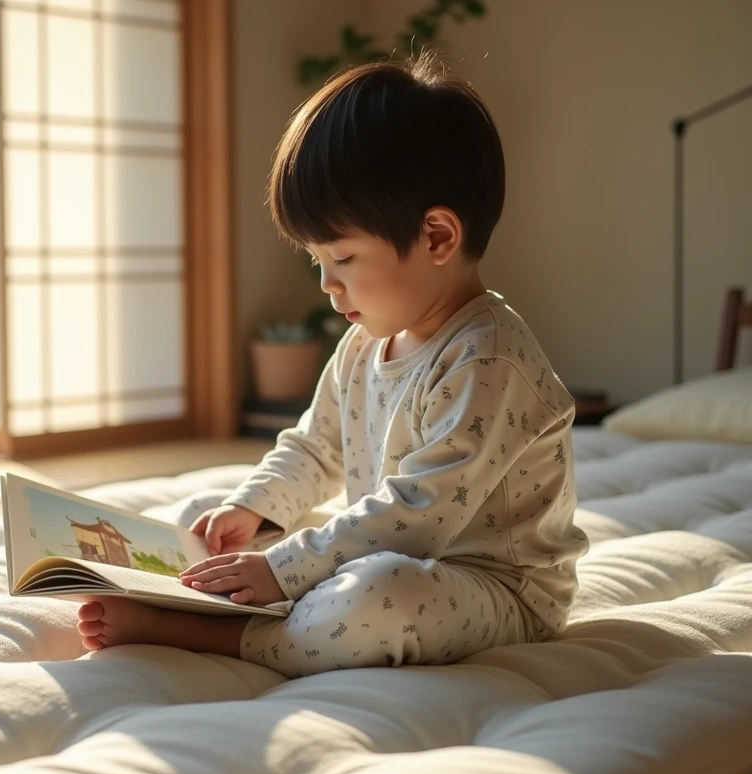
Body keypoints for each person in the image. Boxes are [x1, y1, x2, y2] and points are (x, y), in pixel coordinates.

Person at [76, 53, 588, 678]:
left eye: (342, 258)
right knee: (204, 526)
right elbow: (316, 449)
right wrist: (254, 511)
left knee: (380, 595)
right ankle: (235, 590)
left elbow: (418, 515)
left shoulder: (489, 357)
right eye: (316, 258)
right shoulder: (365, 343)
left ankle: (213, 633)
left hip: (494, 589)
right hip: (394, 546)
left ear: (436, 238)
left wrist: (285, 567)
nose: (326, 283)